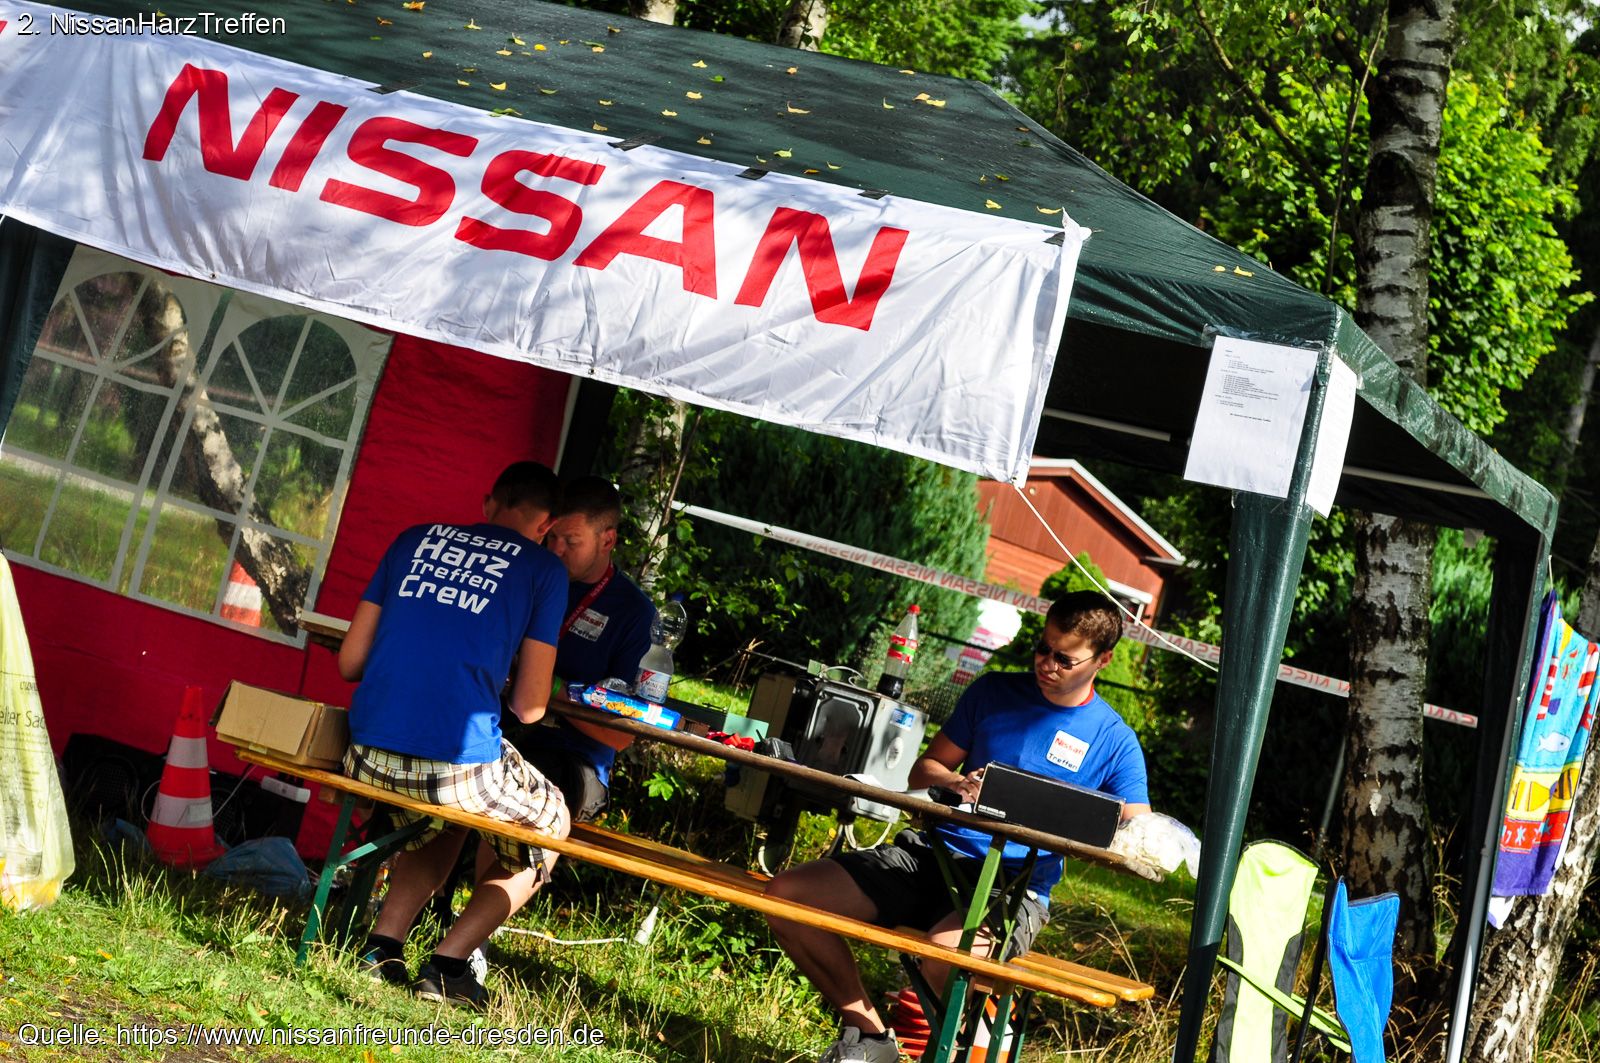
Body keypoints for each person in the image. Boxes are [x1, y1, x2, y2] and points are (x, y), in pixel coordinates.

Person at [764, 591, 1151, 1063]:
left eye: (1064, 659)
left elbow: (1140, 830)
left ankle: (971, 1046)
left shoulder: (1115, 740)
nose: (1047, 664)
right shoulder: (994, 693)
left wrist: (1076, 824)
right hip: (931, 856)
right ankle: (870, 1038)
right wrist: (956, 782)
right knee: (787, 895)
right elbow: (924, 770)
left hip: (1014, 886)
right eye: (1042, 648)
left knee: (946, 955)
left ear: (1103, 659)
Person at [336, 461, 571, 1008]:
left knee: (452, 815)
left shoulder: (412, 539)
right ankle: (448, 965)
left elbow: (350, 662)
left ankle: (381, 949)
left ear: (490, 504)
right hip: (451, 769)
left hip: (363, 752)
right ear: (546, 526)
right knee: (552, 821)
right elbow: (530, 708)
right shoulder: (544, 569)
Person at [506, 475, 656, 823]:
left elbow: (621, 734)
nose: (556, 550)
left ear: (608, 540)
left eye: (571, 541)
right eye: (551, 536)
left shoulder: (635, 614)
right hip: (500, 732)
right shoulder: (531, 576)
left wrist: (549, 687)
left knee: (522, 804)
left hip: (572, 759)